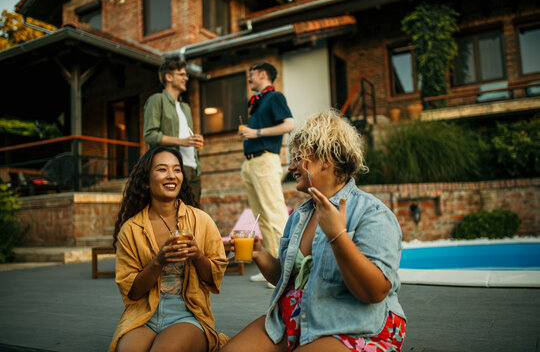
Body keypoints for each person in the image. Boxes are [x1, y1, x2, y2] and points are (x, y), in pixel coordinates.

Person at [223, 110, 406, 352]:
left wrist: (338, 237)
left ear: (326, 159)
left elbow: (376, 291)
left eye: (298, 158)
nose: (291, 166)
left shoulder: (372, 213)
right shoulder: (300, 215)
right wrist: (258, 253)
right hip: (294, 317)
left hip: (355, 325)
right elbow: (286, 279)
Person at [109, 146, 228, 352]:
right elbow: (133, 292)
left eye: (177, 169)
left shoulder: (201, 220)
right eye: (162, 169)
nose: (171, 176)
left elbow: (213, 280)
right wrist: (158, 262)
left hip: (187, 314)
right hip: (143, 315)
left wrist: (197, 255)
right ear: (146, 181)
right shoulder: (131, 229)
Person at [238, 61, 294, 285]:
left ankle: (289, 271)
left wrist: (257, 132)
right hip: (250, 164)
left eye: (251, 74)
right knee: (262, 219)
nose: (249, 79)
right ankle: (273, 271)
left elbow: (289, 124)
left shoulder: (275, 97)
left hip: (265, 160)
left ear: (262, 74)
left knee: (275, 215)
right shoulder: (257, 102)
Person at [144, 58, 203, 204]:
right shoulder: (157, 100)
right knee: (174, 216)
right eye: (181, 74)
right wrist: (182, 141)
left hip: (193, 168)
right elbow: (150, 135)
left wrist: (194, 140)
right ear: (169, 77)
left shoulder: (186, 108)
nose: (186, 78)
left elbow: (187, 136)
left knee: (194, 216)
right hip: (174, 169)